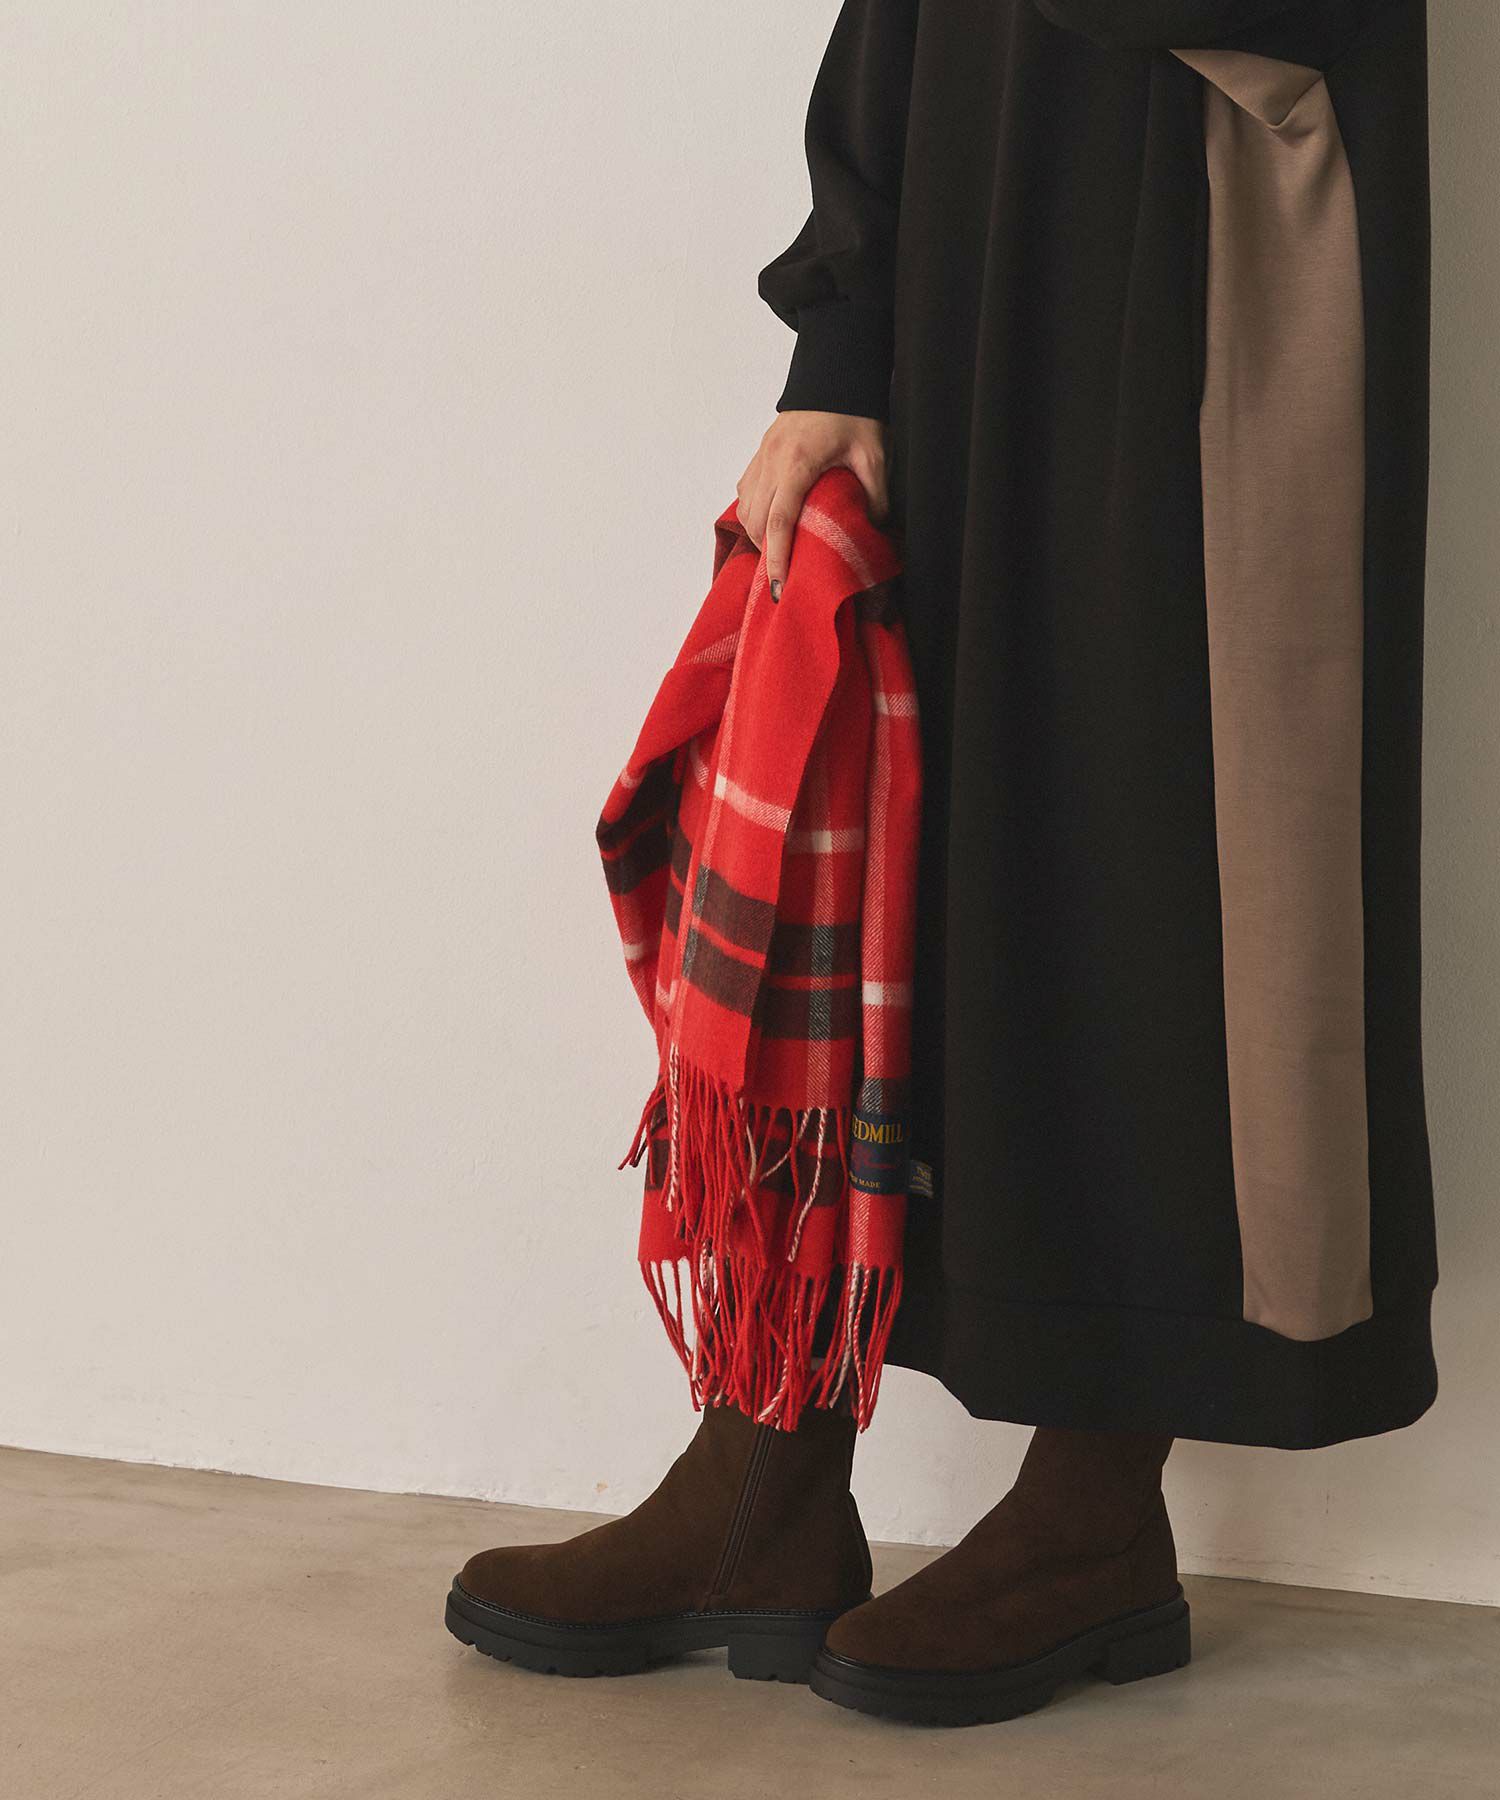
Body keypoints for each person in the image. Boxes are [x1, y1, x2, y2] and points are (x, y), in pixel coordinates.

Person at [447, 0, 1438, 1726]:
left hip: (1207, 229)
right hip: (971, 241)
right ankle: (769, 1477)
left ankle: (1094, 1508)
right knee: (886, 856)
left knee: (1159, 862)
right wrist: (838, 344)